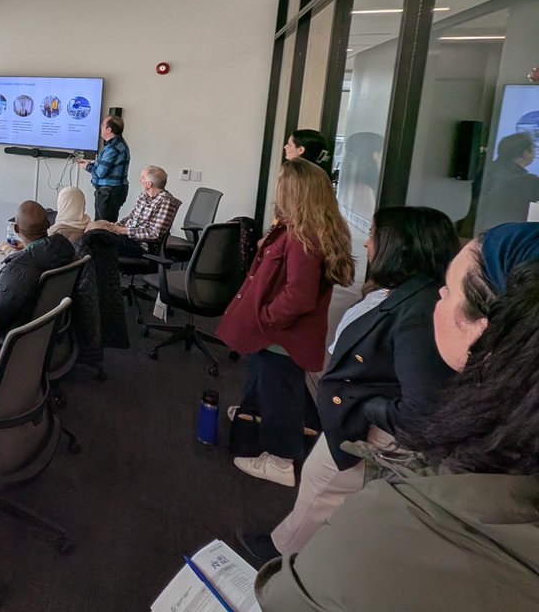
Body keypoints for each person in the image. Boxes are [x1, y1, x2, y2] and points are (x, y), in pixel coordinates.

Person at [255, 223, 539, 611]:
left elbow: (285, 600)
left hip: (356, 483)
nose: (438, 295)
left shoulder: (402, 524)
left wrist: (363, 406)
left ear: (486, 330)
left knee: (319, 499)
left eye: (450, 290)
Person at [240, 206, 459, 563]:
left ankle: (283, 557)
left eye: (375, 235)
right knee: (324, 485)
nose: (368, 242)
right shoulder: (405, 293)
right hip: (354, 413)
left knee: (323, 486)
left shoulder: (419, 311)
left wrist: (365, 408)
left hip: (368, 425)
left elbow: (422, 406)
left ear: (399, 245)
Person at [217, 159, 355, 487]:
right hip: (279, 332)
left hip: (282, 334)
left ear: (294, 191)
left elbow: (300, 296)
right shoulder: (304, 230)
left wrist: (266, 318)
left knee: (279, 391)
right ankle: (254, 413)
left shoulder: (303, 237)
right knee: (264, 379)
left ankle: (280, 460)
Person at [0, 200, 76, 333]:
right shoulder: (64, 247)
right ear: (48, 224)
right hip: (45, 324)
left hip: (18, 331)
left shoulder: (16, 270)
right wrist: (13, 252)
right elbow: (33, 258)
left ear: (16, 229)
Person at [84, 166, 181, 259]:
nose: (140, 180)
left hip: (140, 246)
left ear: (149, 184)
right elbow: (132, 217)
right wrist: (117, 225)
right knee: (93, 228)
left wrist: (121, 230)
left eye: (142, 177)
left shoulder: (165, 201)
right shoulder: (144, 195)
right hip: (127, 237)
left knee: (93, 238)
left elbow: (154, 234)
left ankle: (87, 272)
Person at [477, 132, 539, 232]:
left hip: (475, 232)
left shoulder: (484, 171)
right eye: (534, 149)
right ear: (525, 153)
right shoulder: (527, 181)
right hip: (506, 237)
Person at [77, 116, 130, 221]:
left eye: (102, 125)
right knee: (102, 225)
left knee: (103, 227)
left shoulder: (113, 148)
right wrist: (91, 165)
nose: (100, 127)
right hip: (110, 191)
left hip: (109, 193)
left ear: (109, 130)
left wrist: (86, 167)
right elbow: (104, 166)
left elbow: (100, 173)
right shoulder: (115, 144)